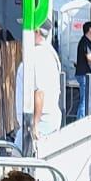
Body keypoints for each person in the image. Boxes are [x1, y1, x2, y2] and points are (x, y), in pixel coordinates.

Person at [14, 24, 63, 152]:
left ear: (36, 31)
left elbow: (39, 91)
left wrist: (34, 125)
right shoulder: (49, 53)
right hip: (43, 120)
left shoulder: (37, 55)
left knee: (17, 159)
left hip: (39, 123)